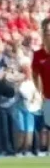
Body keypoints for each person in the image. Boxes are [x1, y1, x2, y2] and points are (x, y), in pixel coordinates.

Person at [31, 17, 50, 156]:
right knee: (47, 126)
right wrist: (39, 92)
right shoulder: (38, 55)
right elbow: (35, 75)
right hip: (48, 96)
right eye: (47, 31)